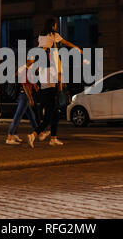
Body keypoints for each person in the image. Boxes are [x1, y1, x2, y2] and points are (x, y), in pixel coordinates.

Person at [27, 17, 83, 148]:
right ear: (52, 26)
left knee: (53, 112)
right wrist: (76, 48)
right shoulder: (52, 38)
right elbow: (66, 42)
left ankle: (51, 137)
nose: (57, 27)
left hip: (45, 80)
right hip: (50, 80)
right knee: (52, 113)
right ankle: (36, 134)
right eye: (56, 25)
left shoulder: (42, 39)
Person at [6, 62, 49, 145]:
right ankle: (9, 138)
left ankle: (39, 134)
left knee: (32, 117)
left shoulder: (28, 71)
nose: (38, 69)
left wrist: (34, 85)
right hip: (24, 96)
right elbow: (25, 85)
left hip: (24, 96)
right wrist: (30, 98)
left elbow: (29, 81)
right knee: (17, 117)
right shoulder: (25, 70)